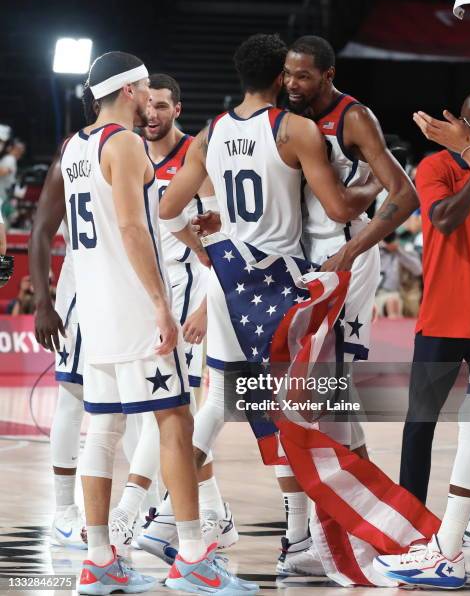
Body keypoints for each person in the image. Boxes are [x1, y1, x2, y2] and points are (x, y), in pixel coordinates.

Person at [160, 30, 416, 577]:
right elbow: (332, 200)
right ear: (280, 75)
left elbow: (169, 208)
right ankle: (327, 537)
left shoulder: (217, 130)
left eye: (306, 74)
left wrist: (209, 245)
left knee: (243, 402)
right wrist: (368, 189)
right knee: (301, 406)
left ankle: (176, 522)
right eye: (291, 73)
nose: (297, 82)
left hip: (254, 277)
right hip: (283, 279)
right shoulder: (293, 128)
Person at [39, 50, 257, 595]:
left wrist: (187, 229)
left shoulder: (74, 148)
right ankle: (192, 558)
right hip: (136, 310)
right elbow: (133, 231)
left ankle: (99, 561)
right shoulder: (126, 142)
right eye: (144, 91)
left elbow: (119, 221)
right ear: (132, 89)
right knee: (174, 425)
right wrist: (161, 304)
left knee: (103, 428)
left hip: (95, 309)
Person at [374, 92, 470, 589]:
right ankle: (411, 518)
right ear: (457, 123)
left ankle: (465, 528)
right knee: (420, 424)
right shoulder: (436, 166)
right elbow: (444, 220)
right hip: (442, 317)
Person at [136, 73, 239, 561]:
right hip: (159, 295)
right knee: (172, 412)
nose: (151, 113)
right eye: (146, 104)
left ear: (177, 108)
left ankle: (144, 512)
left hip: (198, 293)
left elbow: (224, 238)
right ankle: (216, 515)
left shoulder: (197, 157)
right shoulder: (133, 156)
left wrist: (204, 304)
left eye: (160, 105)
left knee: (179, 410)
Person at [375, 232, 422, 319]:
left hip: (394, 293)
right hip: (374, 294)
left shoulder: (401, 252)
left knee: (392, 302)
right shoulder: (375, 251)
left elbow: (418, 270)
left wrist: (398, 250)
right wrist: (380, 247)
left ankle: (393, 330)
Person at [0, 138, 25, 210]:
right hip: (3, 194)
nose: (22, 151)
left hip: (5, 194)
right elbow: (2, 171)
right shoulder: (9, 158)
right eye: (19, 149)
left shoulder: (10, 158)